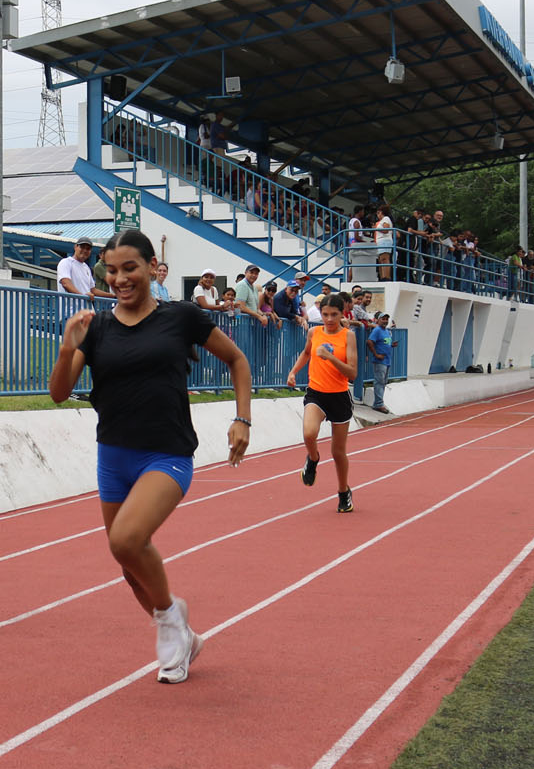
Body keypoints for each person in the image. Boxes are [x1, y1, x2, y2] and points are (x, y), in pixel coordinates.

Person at [49, 228, 252, 684]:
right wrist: (66, 348)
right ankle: (183, 635)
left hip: (166, 454)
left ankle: (170, 620)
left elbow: (238, 361)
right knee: (128, 565)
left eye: (130, 268)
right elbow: (59, 393)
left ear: (151, 267)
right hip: (113, 456)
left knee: (126, 540)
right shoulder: (96, 327)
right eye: (112, 271)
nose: (120, 279)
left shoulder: (181, 316)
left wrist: (243, 418)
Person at [288, 293, 358, 513]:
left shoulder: (348, 336)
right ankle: (313, 458)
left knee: (338, 452)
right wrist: (293, 372)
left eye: (334, 315)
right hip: (316, 393)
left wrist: (331, 358)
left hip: (339, 396)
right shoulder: (314, 332)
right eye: (325, 314)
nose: (329, 319)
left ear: (342, 314)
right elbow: (306, 353)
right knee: (309, 433)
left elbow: (352, 373)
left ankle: (343, 492)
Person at [366, 311, 396, 412]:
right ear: (378, 320)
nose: (385, 321)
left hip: (387, 360)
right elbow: (369, 342)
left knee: (383, 382)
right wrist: (376, 354)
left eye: (387, 319)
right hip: (380, 361)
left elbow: (385, 343)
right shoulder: (377, 330)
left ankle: (378, 403)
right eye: (383, 319)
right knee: (379, 382)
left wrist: (392, 345)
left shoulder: (386, 331)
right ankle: (379, 404)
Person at [374, 204, 394, 281]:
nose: (377, 215)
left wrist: (377, 229)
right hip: (380, 241)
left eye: (378, 213)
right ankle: (382, 276)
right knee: (381, 260)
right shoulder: (381, 221)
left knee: (384, 259)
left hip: (385, 240)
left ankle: (386, 276)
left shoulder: (386, 219)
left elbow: (386, 230)